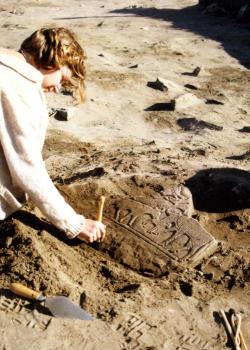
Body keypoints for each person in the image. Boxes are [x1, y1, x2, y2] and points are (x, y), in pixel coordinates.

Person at [0, 27, 106, 243]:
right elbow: (26, 166)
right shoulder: (19, 89)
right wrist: (74, 223)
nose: (57, 88)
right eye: (62, 78)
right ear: (53, 61)